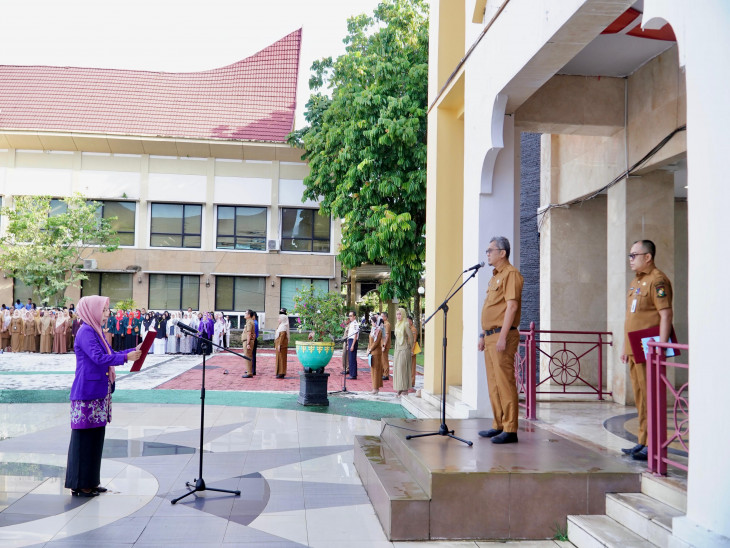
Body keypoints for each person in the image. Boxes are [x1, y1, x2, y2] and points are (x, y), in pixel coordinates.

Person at [64, 295, 141, 497]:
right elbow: (99, 358)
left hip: (98, 392)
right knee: (84, 439)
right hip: (87, 393)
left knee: (96, 437)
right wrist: (126, 358)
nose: (107, 313)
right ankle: (79, 483)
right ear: (93, 310)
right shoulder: (86, 331)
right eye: (105, 310)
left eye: (107, 310)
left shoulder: (95, 330)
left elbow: (109, 352)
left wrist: (134, 350)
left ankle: (91, 480)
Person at [621, 239, 673, 462]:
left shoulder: (657, 280)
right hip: (635, 348)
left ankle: (653, 443)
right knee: (641, 398)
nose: (630, 260)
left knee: (651, 397)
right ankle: (642, 440)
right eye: (630, 255)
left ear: (648, 257)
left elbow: (666, 315)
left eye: (634, 255)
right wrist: (625, 347)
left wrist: (660, 348)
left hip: (649, 349)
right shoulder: (636, 282)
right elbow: (631, 318)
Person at [478, 236, 523, 444]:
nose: (487, 253)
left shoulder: (511, 274)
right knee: (493, 382)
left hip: (501, 336)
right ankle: (498, 424)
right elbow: (491, 309)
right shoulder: (495, 276)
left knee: (504, 382)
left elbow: (511, 307)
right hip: (489, 336)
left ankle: (510, 428)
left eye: (490, 250)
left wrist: (503, 336)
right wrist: (482, 334)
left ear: (502, 253)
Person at [392, 308, 414, 397]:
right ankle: (399, 388)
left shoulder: (405, 324)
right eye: (397, 314)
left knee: (403, 368)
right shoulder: (397, 324)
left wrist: (410, 347)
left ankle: (405, 389)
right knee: (397, 369)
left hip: (405, 349)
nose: (398, 316)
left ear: (403, 314)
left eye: (400, 314)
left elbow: (411, 337)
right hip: (397, 349)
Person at [367, 315, 384, 395]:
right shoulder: (373, 330)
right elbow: (370, 341)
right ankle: (374, 387)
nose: (371, 323)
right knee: (373, 370)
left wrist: (370, 349)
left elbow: (376, 342)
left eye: (372, 322)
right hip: (371, 352)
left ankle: (376, 388)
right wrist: (368, 349)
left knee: (376, 371)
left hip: (376, 352)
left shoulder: (379, 331)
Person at [345, 310, 360, 379]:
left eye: (351, 316)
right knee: (350, 359)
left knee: (352, 358)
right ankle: (351, 373)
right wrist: (348, 344)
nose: (349, 317)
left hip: (353, 341)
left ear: (354, 317)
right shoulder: (351, 324)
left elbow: (355, 335)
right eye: (349, 316)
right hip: (350, 340)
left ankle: (353, 375)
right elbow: (349, 335)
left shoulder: (355, 324)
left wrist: (352, 345)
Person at [274, 313, 289, 378]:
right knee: (279, 358)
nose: (278, 320)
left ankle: (281, 372)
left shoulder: (283, 327)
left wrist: (279, 345)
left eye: (279, 318)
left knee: (282, 358)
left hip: (282, 346)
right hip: (279, 345)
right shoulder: (280, 326)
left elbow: (282, 337)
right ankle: (279, 371)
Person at [241, 310, 255, 378]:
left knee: (248, 356)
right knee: (248, 356)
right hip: (247, 340)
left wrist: (248, 343)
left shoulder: (249, 322)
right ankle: (248, 370)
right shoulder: (249, 321)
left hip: (247, 341)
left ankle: (249, 372)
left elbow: (249, 333)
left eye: (246, 313)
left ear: (249, 315)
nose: (244, 314)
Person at [408, 315, 418, 387]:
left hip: (412, 349)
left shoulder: (413, 329)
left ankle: (412, 382)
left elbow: (414, 341)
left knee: (412, 366)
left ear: (411, 321)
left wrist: (412, 350)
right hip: (407, 348)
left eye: (407, 321)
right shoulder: (408, 328)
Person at [381, 311, 391, 381]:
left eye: (382, 316)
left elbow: (387, 335)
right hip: (382, 343)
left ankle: (386, 374)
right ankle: (383, 372)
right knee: (382, 359)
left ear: (385, 317)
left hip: (385, 344)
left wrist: (384, 345)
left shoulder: (387, 324)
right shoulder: (383, 324)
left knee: (385, 359)